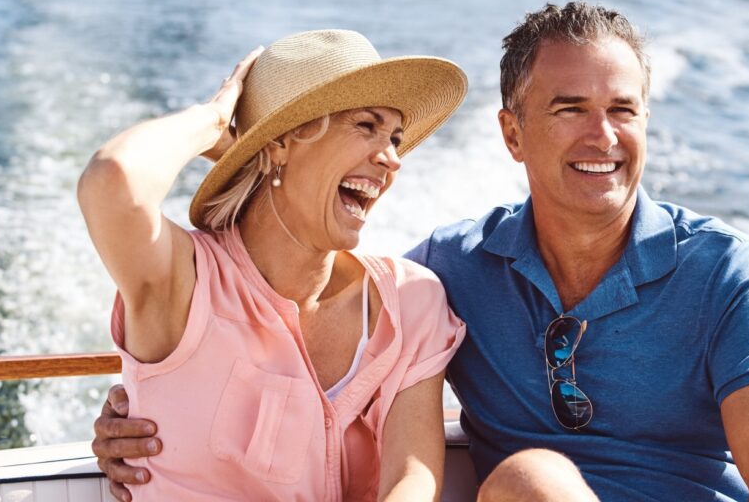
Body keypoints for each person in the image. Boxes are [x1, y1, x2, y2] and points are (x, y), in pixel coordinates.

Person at [93, 3, 749, 501]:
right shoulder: (447, 274)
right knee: (532, 482)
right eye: (570, 109)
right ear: (511, 135)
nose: (602, 136)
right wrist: (152, 399)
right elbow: (130, 199)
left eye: (623, 110)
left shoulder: (727, 269)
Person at [78, 29, 468, 501]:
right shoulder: (184, 283)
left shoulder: (411, 301)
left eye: (396, 137)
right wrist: (213, 120)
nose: (392, 159)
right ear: (281, 143)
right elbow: (112, 180)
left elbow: (412, 481)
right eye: (366, 126)